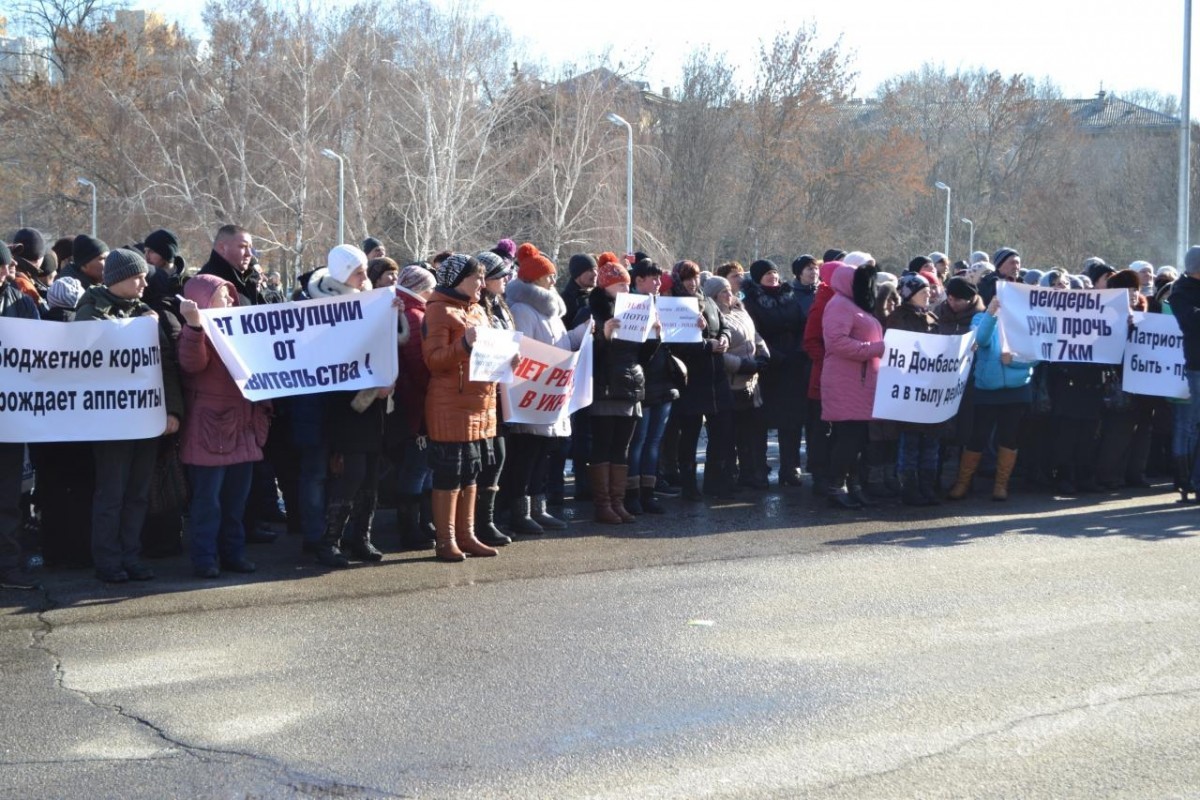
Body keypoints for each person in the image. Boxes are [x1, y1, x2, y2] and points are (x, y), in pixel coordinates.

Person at [74, 248, 184, 582]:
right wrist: (136, 328)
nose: (143, 283)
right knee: (111, 494)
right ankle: (108, 560)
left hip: (146, 417)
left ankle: (131, 556)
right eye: (137, 277)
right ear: (119, 278)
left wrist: (173, 410)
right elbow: (91, 349)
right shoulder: (91, 309)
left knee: (137, 494)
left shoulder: (146, 311)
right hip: (110, 421)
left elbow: (164, 366)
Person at [177, 274, 269, 578]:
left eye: (230, 295)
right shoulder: (196, 332)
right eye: (223, 295)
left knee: (235, 502)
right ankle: (205, 558)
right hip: (210, 430)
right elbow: (192, 364)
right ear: (204, 300)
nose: (231, 300)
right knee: (208, 502)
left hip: (241, 426)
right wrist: (193, 327)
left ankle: (233, 553)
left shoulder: (241, 332)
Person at [308, 246, 395, 567]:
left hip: (375, 403)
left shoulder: (372, 303)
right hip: (347, 404)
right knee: (351, 473)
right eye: (358, 272)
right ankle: (329, 540)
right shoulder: (329, 306)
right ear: (343, 275)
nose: (364, 278)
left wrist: (392, 314)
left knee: (371, 474)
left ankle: (361, 537)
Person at [422, 253, 504, 561]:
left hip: (479, 405)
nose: (483, 284)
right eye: (477, 278)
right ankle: (446, 540)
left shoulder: (478, 311)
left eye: (484, 278)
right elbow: (434, 360)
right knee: (449, 473)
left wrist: (507, 360)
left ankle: (467, 535)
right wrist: (465, 345)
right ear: (459, 281)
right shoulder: (440, 311)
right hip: (449, 406)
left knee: (472, 471)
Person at [504, 244, 591, 530]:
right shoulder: (523, 309)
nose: (554, 281)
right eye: (548, 276)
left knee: (543, 452)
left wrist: (585, 333)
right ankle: (520, 511)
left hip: (549, 393)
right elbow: (525, 351)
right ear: (533, 279)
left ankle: (537, 507)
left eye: (554, 275)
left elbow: (561, 344)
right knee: (526, 455)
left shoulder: (552, 311)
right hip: (531, 395)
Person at [948, 294, 1035, 501]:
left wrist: (1014, 362)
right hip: (986, 389)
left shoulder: (1027, 320)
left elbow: (1037, 355)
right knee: (977, 436)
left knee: (1009, 437)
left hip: (1017, 389)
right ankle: (962, 483)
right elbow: (981, 340)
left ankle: (1001, 485)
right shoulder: (980, 318)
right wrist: (991, 314)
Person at [582, 254, 646, 521]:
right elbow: (581, 352)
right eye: (620, 285)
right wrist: (603, 336)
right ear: (605, 286)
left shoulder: (633, 310)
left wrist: (654, 335)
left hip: (630, 386)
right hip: (605, 388)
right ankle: (603, 504)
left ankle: (618, 502)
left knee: (622, 447)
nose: (626, 290)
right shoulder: (590, 311)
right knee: (603, 444)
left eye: (627, 285)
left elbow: (643, 356)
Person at [821, 258, 884, 508]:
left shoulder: (853, 305)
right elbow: (836, 342)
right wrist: (878, 348)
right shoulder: (839, 305)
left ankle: (853, 484)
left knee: (857, 440)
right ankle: (836, 487)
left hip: (860, 383)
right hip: (847, 383)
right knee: (848, 440)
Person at [667, 259, 731, 501]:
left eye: (695, 278)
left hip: (716, 377)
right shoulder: (672, 304)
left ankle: (716, 481)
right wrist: (706, 345)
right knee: (690, 434)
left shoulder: (708, 301)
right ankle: (689, 484)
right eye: (687, 278)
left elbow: (723, 326)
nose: (692, 283)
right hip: (691, 378)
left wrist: (723, 339)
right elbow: (674, 343)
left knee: (721, 431)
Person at [742, 258, 807, 488]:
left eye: (775, 273)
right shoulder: (751, 302)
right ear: (758, 277)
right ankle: (760, 469)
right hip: (769, 368)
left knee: (791, 422)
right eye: (768, 274)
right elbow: (755, 333)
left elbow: (802, 325)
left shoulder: (790, 298)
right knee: (760, 422)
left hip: (793, 366)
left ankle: (790, 468)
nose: (773, 277)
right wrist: (775, 356)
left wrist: (798, 351)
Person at [0, 241, 40, 589]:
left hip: (10, 418)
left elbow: (42, 350)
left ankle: (9, 567)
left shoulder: (21, 302)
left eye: (6, 266)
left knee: (9, 497)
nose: (5, 272)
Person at [391, 264, 438, 549]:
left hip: (414, 401)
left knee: (423, 465)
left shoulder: (407, 312)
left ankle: (423, 521)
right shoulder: (414, 315)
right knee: (418, 467)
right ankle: (411, 527)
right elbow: (420, 366)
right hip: (417, 403)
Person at [625, 259, 678, 514]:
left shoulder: (662, 305)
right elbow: (631, 350)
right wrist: (653, 337)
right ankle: (632, 494)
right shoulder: (629, 306)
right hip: (641, 381)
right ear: (638, 281)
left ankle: (649, 492)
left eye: (659, 278)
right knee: (639, 440)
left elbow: (677, 343)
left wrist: (695, 327)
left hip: (663, 381)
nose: (658, 283)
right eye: (653, 279)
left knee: (654, 441)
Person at [706, 275, 768, 490]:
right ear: (713, 296)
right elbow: (718, 353)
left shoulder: (740, 311)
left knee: (748, 434)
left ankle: (749, 474)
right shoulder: (713, 318)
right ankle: (726, 476)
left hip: (751, 383)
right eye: (723, 291)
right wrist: (741, 365)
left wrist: (763, 355)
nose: (729, 294)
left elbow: (754, 336)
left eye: (729, 290)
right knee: (728, 435)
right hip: (731, 383)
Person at [885, 273, 942, 505]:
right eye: (923, 290)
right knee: (910, 444)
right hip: (909, 392)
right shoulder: (898, 318)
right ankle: (909, 488)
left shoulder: (931, 318)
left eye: (929, 289)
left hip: (929, 393)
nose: (929, 293)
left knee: (930, 444)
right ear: (909, 294)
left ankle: (927, 487)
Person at [475, 250, 518, 544]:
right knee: (487, 457)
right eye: (500, 274)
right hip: (483, 393)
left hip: (503, 392)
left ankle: (487, 520)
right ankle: (479, 523)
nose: (506, 278)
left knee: (499, 456)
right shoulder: (478, 308)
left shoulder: (500, 305)